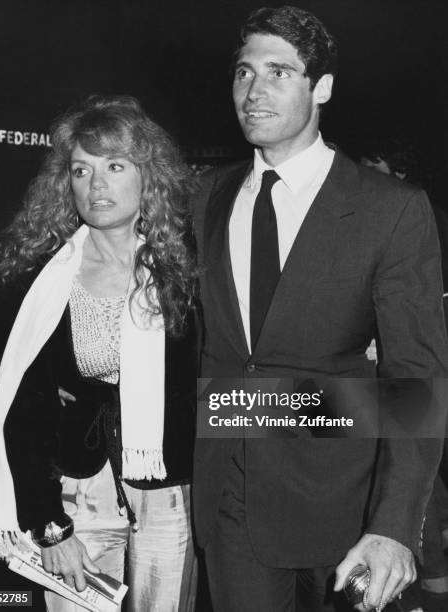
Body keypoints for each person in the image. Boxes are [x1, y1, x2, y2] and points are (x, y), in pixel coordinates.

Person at [191, 6, 448, 612]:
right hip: (229, 494)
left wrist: (394, 523)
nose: (254, 91)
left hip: (347, 504)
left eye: (279, 72)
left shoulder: (391, 209)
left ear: (322, 87)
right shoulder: (206, 197)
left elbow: (416, 380)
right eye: (243, 72)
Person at [0, 95, 198, 612]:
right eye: (81, 170)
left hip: (170, 493)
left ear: (150, 176)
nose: (96, 185)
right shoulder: (41, 279)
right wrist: (49, 527)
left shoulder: (188, 271)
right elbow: (20, 411)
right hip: (78, 491)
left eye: (115, 166)